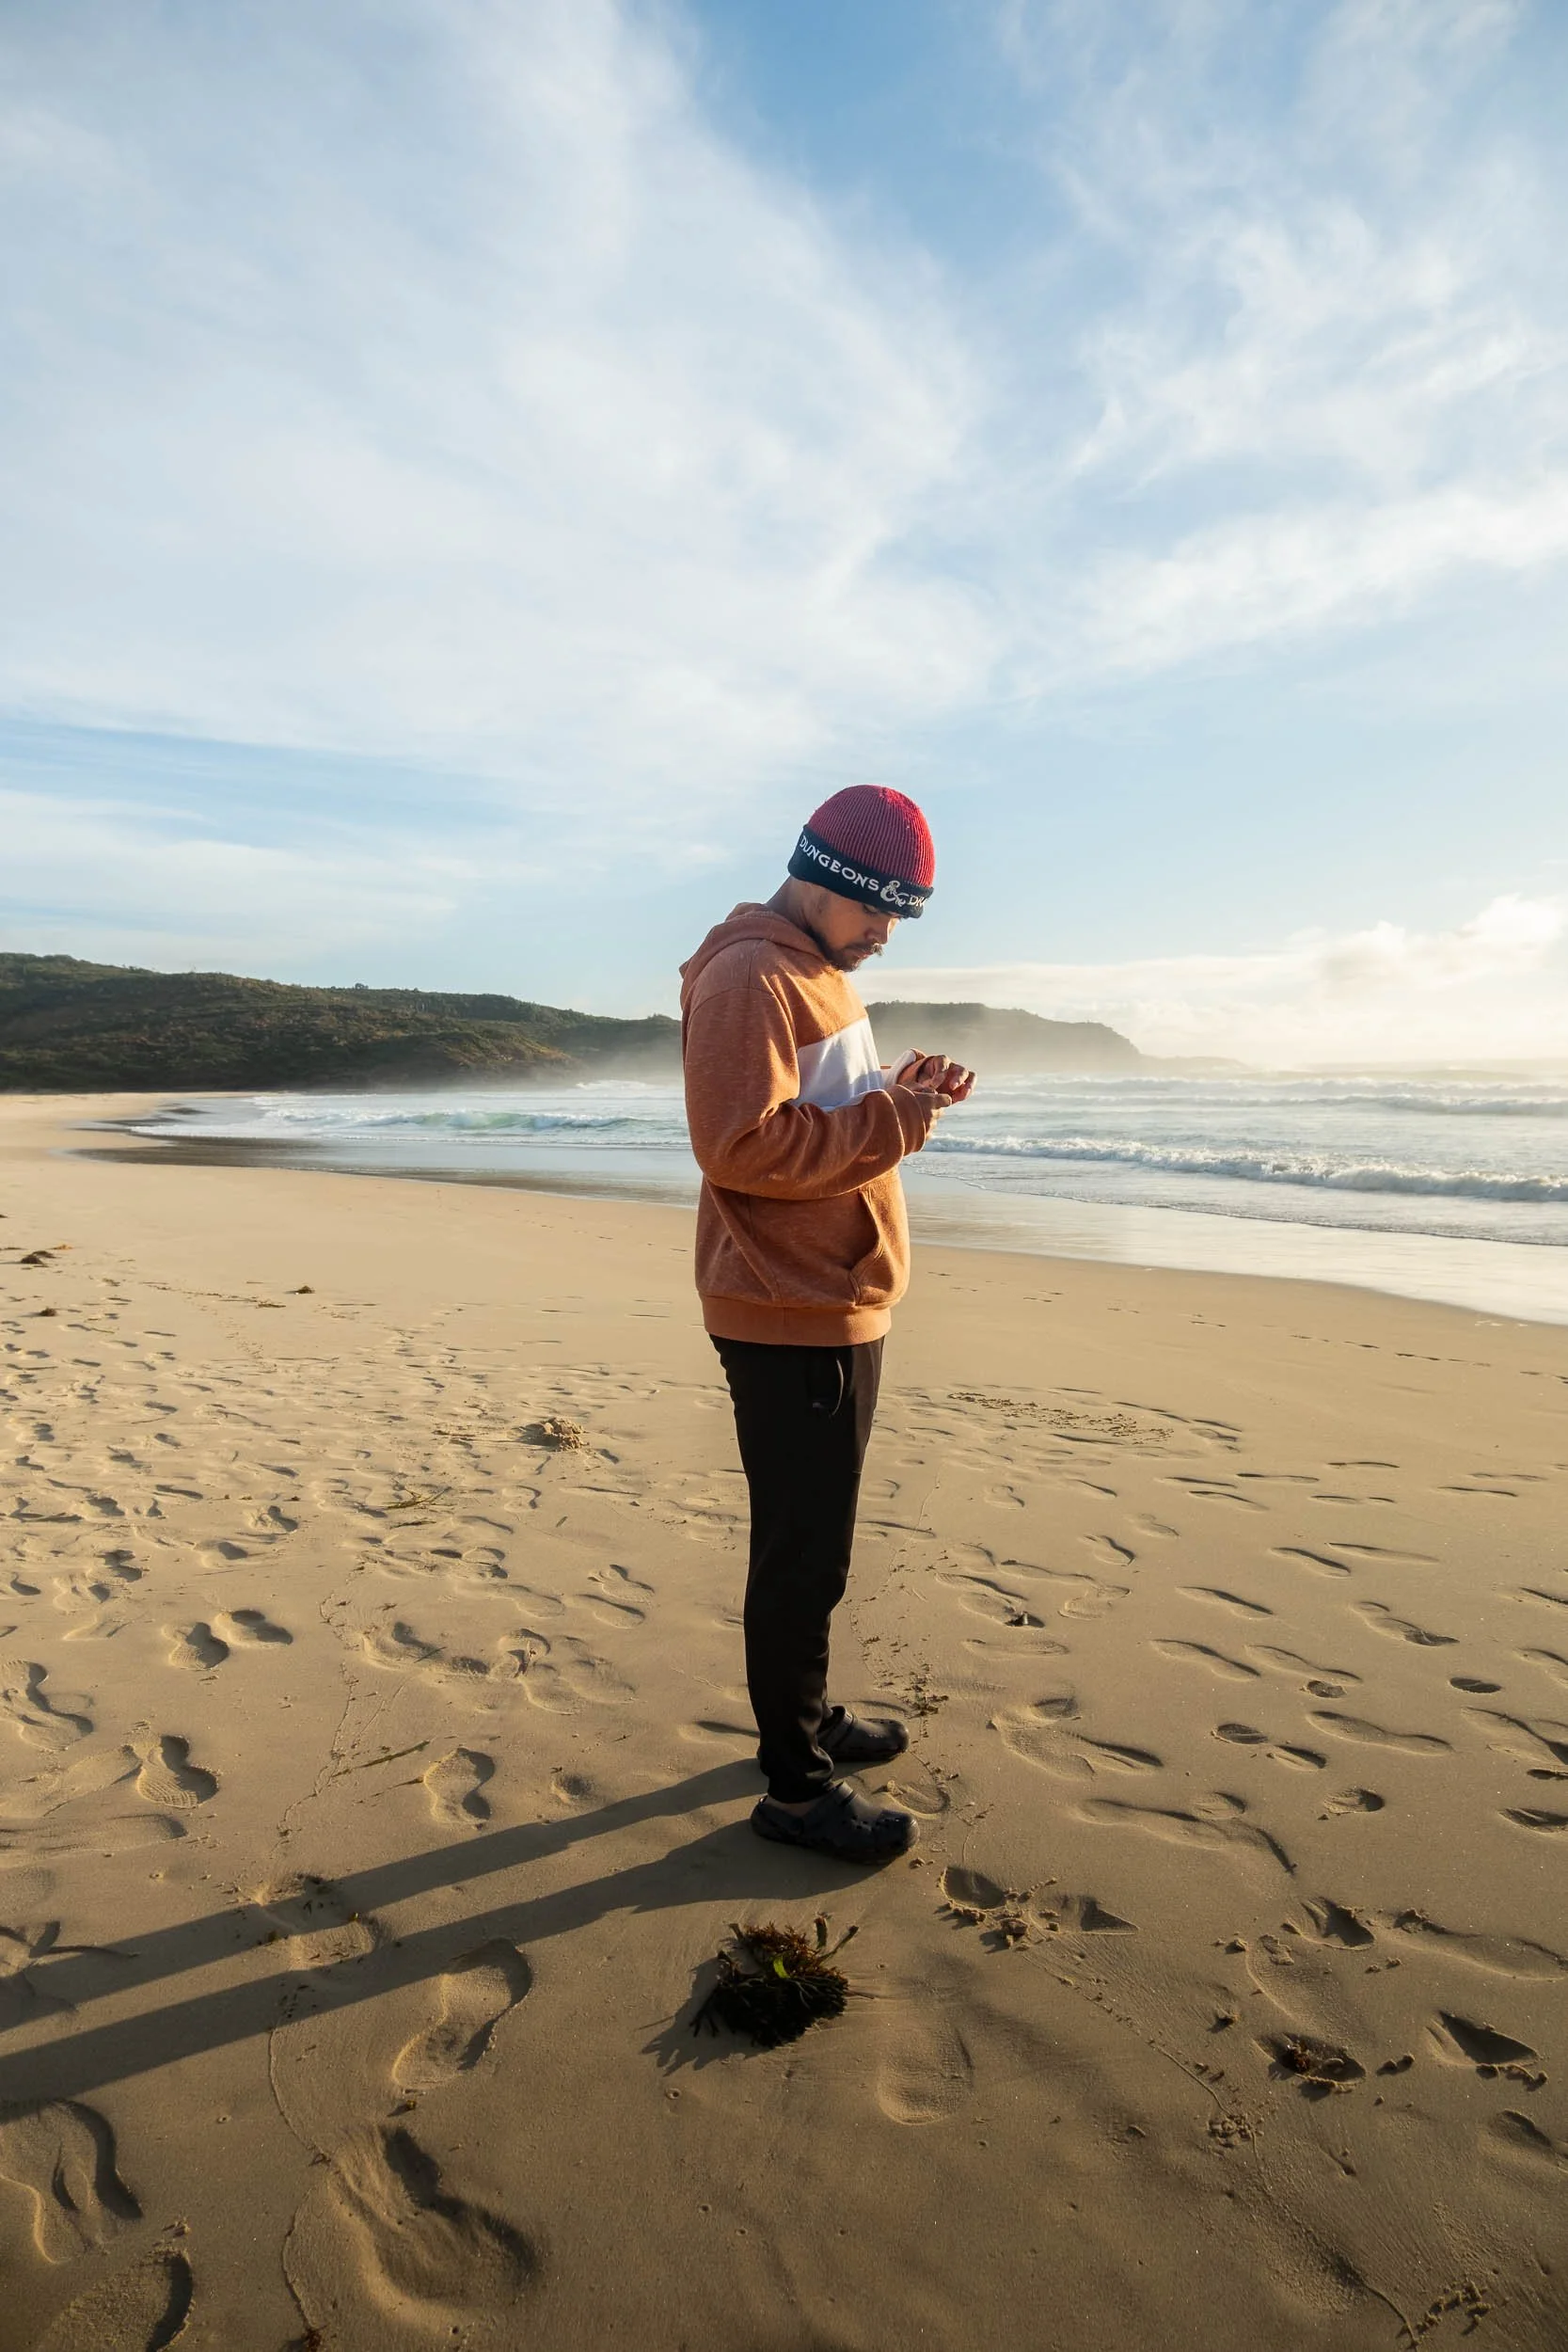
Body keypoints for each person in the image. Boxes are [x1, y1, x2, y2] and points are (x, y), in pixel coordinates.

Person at [679, 786, 974, 1864]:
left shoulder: (811, 971)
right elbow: (739, 1144)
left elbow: (823, 1110)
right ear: (824, 880)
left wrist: (901, 1092)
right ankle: (795, 1787)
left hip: (834, 1296)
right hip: (785, 1306)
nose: (885, 936)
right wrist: (895, 1120)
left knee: (821, 1547)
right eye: (879, 911)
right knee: (801, 1555)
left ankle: (807, 1721)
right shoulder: (750, 974)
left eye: (901, 917)